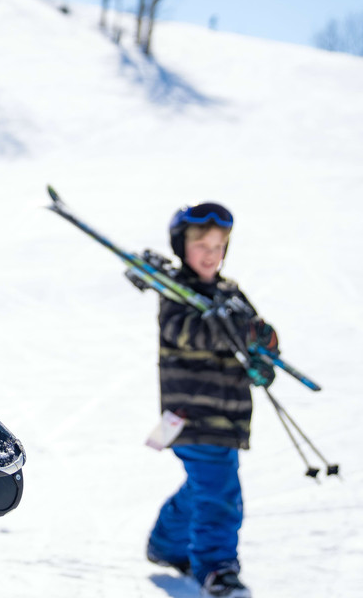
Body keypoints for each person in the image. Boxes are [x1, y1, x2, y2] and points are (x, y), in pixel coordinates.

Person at [146, 202, 279, 598]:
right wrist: (230, 327)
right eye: (201, 245)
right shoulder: (176, 294)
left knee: (205, 487)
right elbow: (188, 333)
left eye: (218, 246)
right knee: (220, 493)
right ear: (181, 247)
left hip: (228, 416)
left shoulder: (231, 294)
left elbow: (252, 338)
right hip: (191, 415)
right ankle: (216, 568)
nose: (210, 253)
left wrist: (264, 352)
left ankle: (166, 544)